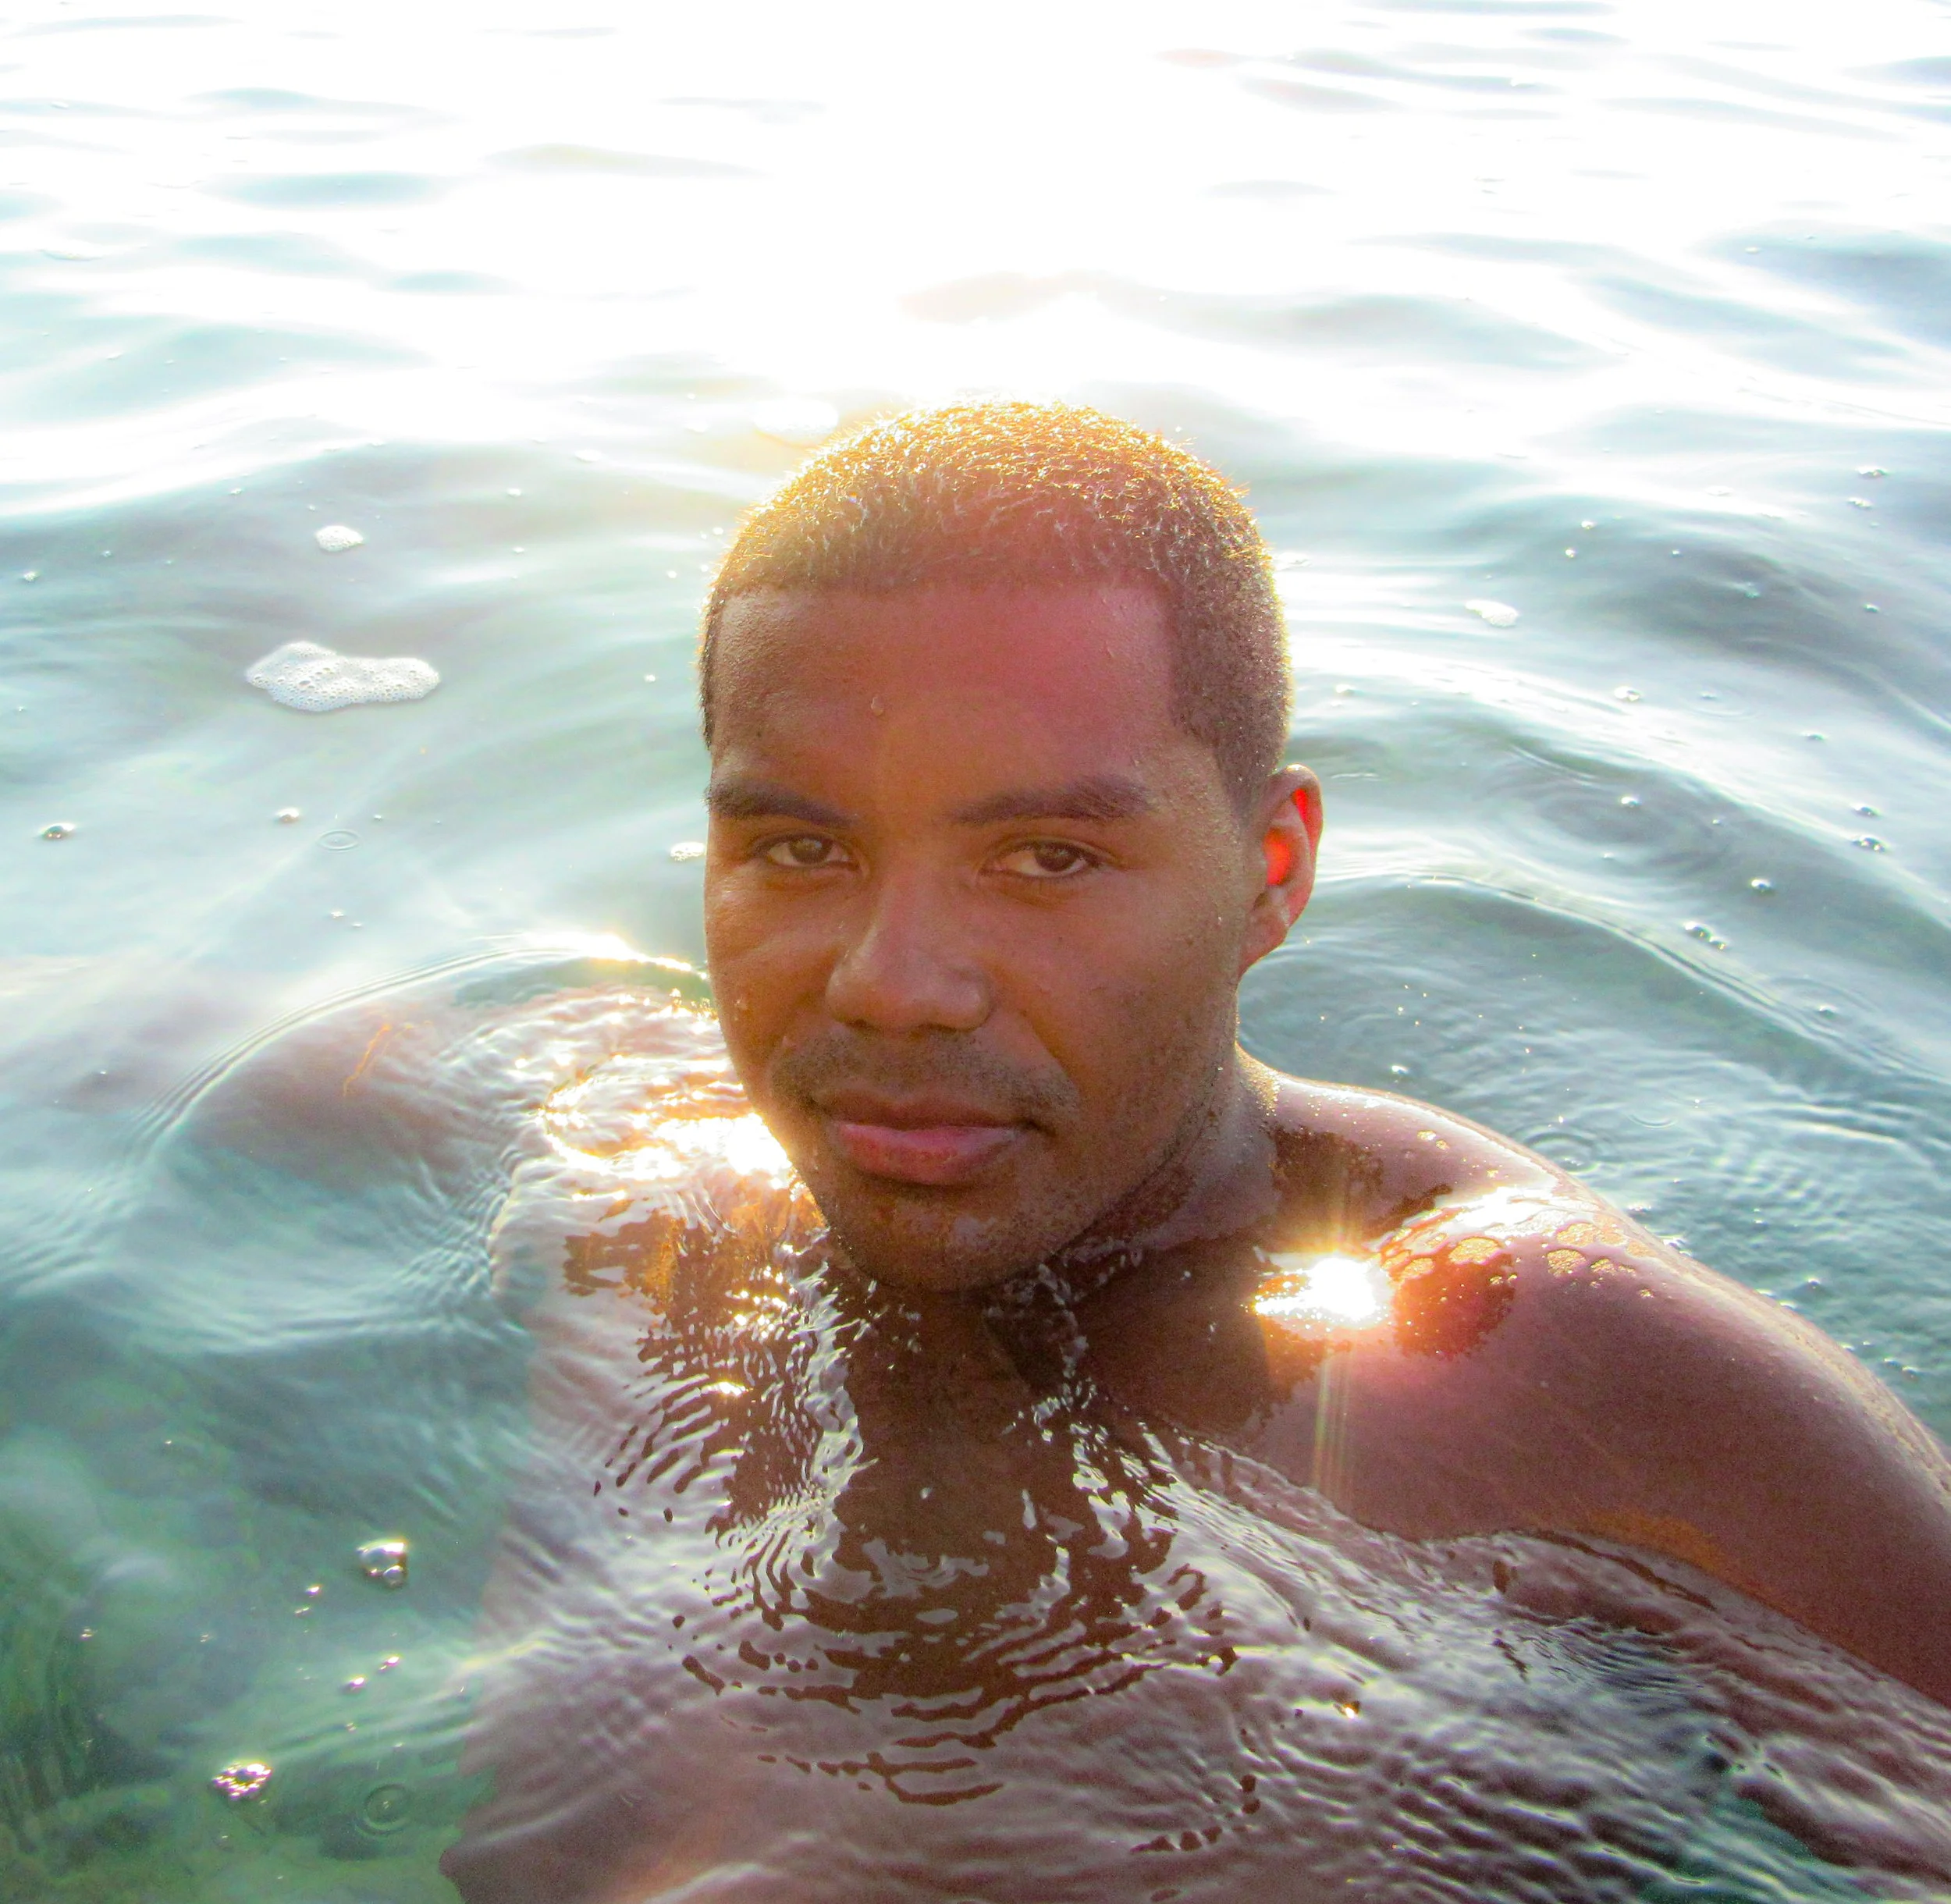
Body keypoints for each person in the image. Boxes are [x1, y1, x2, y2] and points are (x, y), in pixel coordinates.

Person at [443, 402, 1951, 1901]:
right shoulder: (647, 1177)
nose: (894, 983)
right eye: (800, 849)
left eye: (1048, 860)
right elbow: (304, 1064)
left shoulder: (1566, 1377)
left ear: (1270, 875)